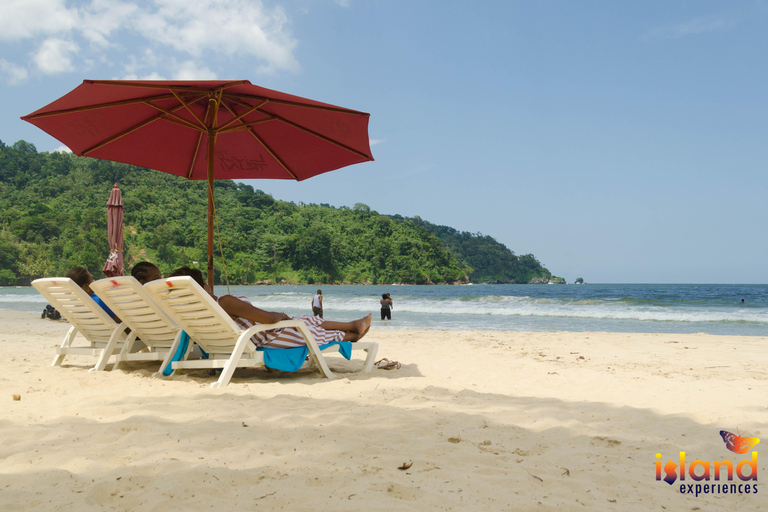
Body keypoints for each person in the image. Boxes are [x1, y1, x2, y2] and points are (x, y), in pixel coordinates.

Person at [170, 267, 371, 349]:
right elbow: (269, 319)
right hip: (266, 336)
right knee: (305, 326)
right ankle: (352, 334)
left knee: (305, 320)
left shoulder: (194, 311)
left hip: (249, 338)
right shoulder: (224, 302)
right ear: (205, 286)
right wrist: (280, 315)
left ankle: (352, 324)